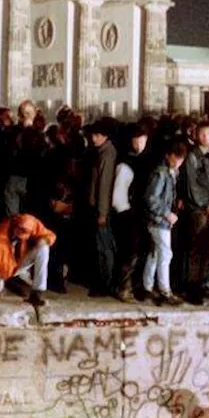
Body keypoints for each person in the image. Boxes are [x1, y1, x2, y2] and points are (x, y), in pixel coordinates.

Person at [177, 121, 209, 302]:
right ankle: (192, 286)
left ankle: (204, 281)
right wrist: (206, 205)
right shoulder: (192, 157)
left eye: (208, 134)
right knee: (197, 246)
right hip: (198, 208)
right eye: (202, 134)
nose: (205, 137)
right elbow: (192, 185)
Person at [143, 139, 187, 306]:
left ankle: (148, 287)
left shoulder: (170, 173)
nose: (179, 162)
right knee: (165, 254)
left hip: (158, 220)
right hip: (158, 220)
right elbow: (151, 198)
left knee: (154, 254)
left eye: (181, 159)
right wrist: (167, 213)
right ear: (168, 156)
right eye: (176, 158)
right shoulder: (161, 173)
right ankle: (165, 290)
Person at [0, 213, 55, 306]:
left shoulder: (32, 223)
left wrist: (44, 240)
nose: (20, 234)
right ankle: (1, 286)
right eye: (19, 230)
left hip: (18, 265)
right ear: (15, 226)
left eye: (24, 232)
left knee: (43, 248)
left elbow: (49, 235)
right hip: (1, 272)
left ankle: (37, 293)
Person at [111, 125, 152, 303]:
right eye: (136, 140)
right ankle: (124, 287)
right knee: (130, 251)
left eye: (142, 140)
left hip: (141, 212)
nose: (139, 144)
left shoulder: (145, 160)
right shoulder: (126, 164)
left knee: (140, 250)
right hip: (129, 214)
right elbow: (118, 196)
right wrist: (125, 212)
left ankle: (136, 287)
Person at [82, 118, 118, 297]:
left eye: (97, 135)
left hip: (101, 208)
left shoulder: (107, 154)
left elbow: (104, 185)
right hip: (97, 206)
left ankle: (105, 283)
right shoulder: (100, 152)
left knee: (104, 247)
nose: (93, 138)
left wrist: (103, 212)